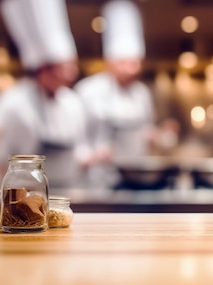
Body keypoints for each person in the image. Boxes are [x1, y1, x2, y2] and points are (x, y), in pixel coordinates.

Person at [0, 0, 90, 187]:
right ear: (43, 71)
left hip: (70, 191)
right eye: (65, 67)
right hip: (27, 194)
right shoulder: (14, 104)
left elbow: (79, 149)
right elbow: (1, 160)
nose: (73, 73)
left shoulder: (72, 102)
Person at [75, 0, 178, 163]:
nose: (133, 69)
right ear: (110, 61)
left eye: (136, 62)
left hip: (135, 174)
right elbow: (75, 140)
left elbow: (145, 133)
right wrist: (91, 156)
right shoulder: (87, 91)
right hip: (97, 178)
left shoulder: (141, 93)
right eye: (126, 62)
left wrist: (160, 135)